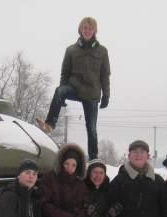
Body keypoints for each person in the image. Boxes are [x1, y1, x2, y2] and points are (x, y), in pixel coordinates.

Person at [36, 17, 111, 161]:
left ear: (95, 31)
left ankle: (93, 158)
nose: (87, 31)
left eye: (90, 28)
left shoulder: (102, 51)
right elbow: (65, 72)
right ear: (80, 30)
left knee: (91, 128)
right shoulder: (71, 50)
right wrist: (62, 96)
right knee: (59, 91)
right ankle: (50, 124)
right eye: (85, 28)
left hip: (92, 93)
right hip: (74, 87)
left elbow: (105, 74)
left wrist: (106, 95)